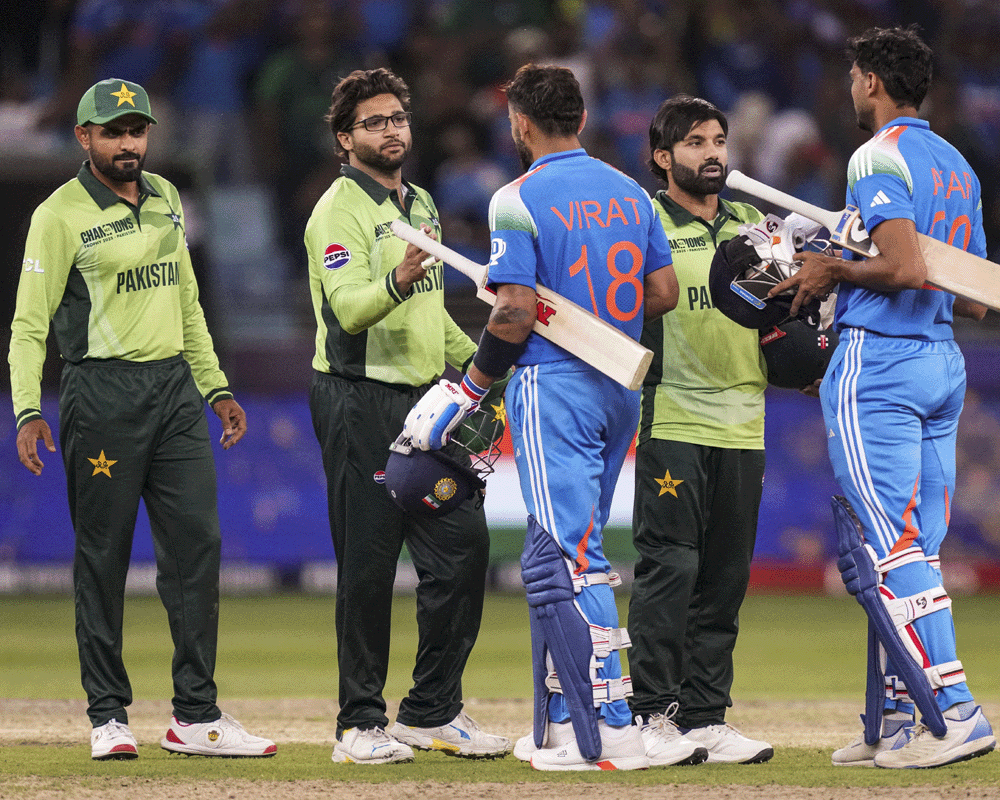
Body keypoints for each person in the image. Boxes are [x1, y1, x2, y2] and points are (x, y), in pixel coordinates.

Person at [402, 63, 679, 771]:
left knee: (572, 555)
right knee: (554, 552)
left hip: (553, 386)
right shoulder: (632, 193)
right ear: (581, 119)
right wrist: (596, 307)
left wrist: (470, 388)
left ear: (519, 124)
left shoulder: (516, 199)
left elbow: (515, 312)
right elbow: (662, 292)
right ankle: (560, 722)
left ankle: (610, 729)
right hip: (618, 383)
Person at [8, 78, 276, 761]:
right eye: (113, 132)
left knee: (197, 548)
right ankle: (108, 715)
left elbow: (186, 300)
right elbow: (29, 324)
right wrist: (28, 409)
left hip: (175, 394)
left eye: (137, 130)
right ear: (84, 137)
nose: (128, 143)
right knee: (103, 557)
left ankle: (196, 716)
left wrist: (215, 388)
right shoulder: (58, 214)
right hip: (102, 396)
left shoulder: (166, 197)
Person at [769, 25, 996, 769]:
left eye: (853, 76)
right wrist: (856, 250)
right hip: (941, 359)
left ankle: (954, 711)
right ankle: (902, 714)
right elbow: (974, 298)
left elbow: (900, 269)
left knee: (890, 544)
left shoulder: (875, 155)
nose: (850, 87)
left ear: (870, 80)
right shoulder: (958, 165)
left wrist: (832, 268)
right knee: (910, 546)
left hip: (881, 363)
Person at [304, 67, 510, 765]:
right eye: (374, 122)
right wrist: (399, 277)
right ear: (344, 138)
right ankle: (358, 724)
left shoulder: (418, 200)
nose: (391, 130)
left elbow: (432, 318)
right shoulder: (338, 209)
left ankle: (431, 711)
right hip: (359, 401)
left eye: (398, 118)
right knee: (367, 566)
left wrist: (487, 369)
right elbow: (349, 310)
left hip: (427, 403)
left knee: (463, 552)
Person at [626, 94, 774, 766]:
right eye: (694, 142)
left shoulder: (754, 225)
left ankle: (707, 716)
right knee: (671, 568)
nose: (712, 153)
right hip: (675, 414)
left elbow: (782, 317)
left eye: (717, 140)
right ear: (662, 157)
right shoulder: (643, 221)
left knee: (724, 576)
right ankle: (653, 714)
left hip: (745, 421)